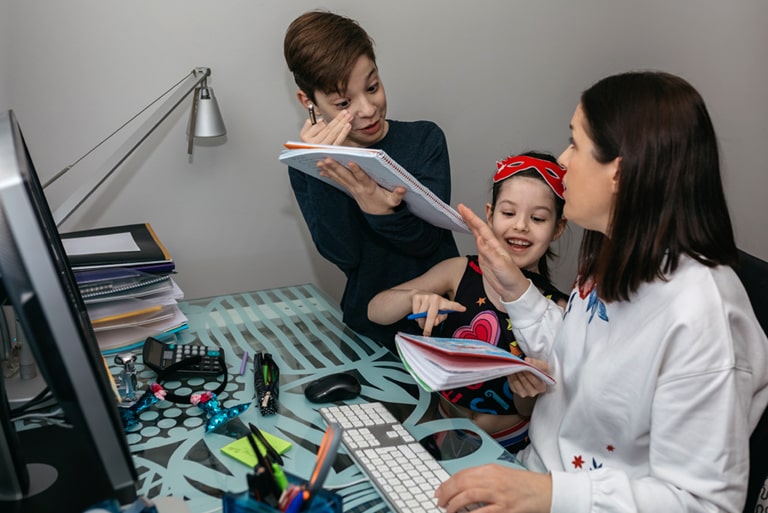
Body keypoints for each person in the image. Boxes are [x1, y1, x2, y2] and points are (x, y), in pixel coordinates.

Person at [434, 71, 768, 513]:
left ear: (620, 171)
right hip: (534, 476)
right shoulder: (617, 256)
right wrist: (517, 290)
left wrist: (551, 495)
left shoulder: (702, 314)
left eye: (575, 144)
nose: (563, 162)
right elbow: (583, 362)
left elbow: (702, 504)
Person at [368, 152, 568, 452]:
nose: (521, 226)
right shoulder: (460, 271)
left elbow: (530, 411)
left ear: (558, 228)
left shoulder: (558, 310)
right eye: (508, 213)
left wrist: (525, 388)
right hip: (440, 424)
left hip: (507, 447)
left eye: (538, 218)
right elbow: (375, 311)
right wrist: (415, 299)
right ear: (489, 215)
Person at [282, 10, 458, 351]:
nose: (367, 109)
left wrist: (381, 211)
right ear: (309, 102)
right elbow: (342, 254)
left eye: (373, 87)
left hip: (439, 321)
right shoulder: (306, 164)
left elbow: (428, 243)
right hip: (366, 333)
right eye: (344, 102)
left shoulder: (424, 140)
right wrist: (322, 165)